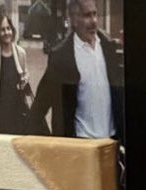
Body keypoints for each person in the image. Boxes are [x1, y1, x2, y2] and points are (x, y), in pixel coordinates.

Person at [27, 0, 123, 139]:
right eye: (87, 15)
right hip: (81, 145)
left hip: (111, 142)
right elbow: (38, 109)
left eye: (95, 14)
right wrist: (52, 144)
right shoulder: (61, 58)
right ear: (74, 19)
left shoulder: (108, 47)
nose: (94, 21)